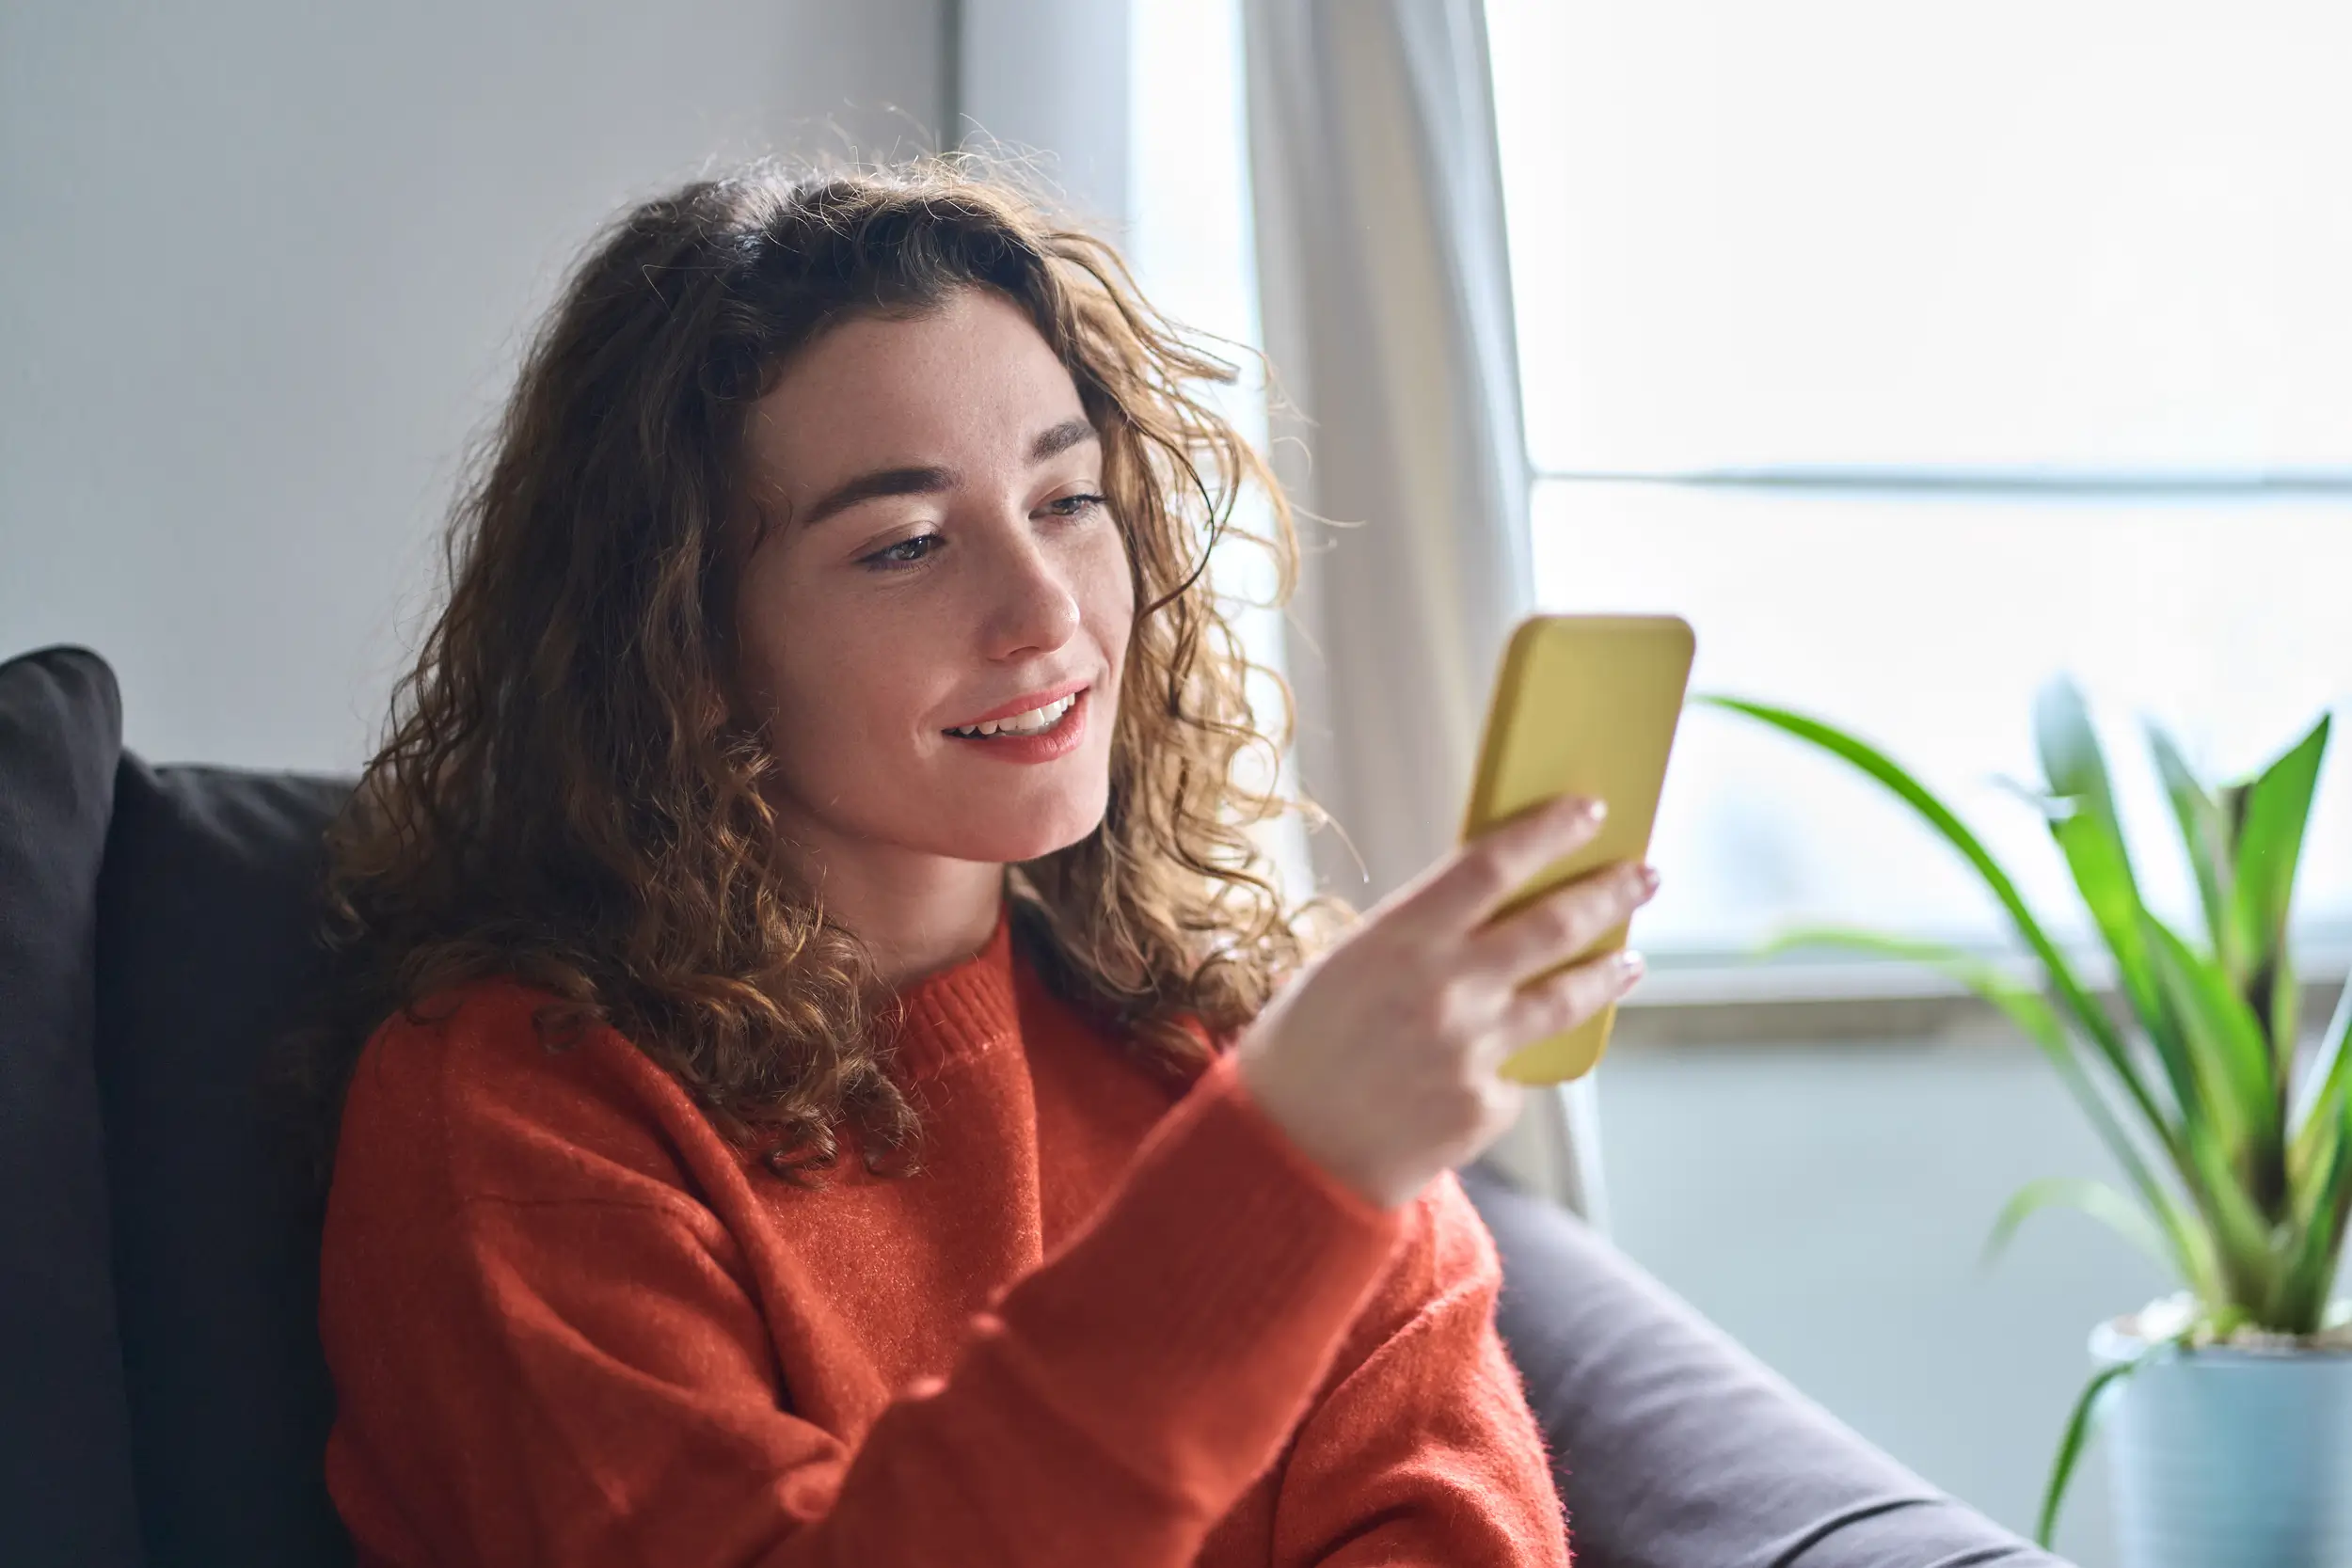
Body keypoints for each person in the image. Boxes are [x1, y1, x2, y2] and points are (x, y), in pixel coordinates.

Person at [307, 157, 1658, 1567]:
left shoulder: (1232, 1044)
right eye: (906, 544)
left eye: (1068, 501)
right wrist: (1282, 1184)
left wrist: (1301, 1145)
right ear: (684, 644)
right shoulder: (520, 1113)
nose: (1040, 610)